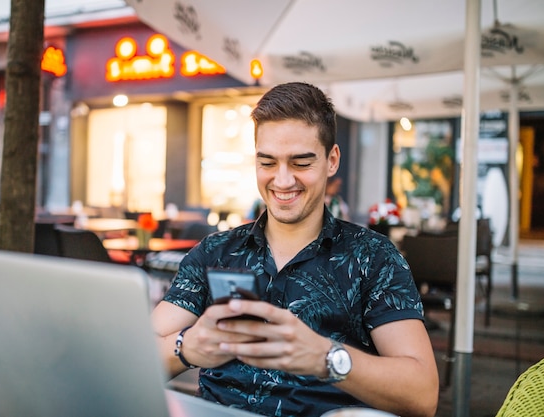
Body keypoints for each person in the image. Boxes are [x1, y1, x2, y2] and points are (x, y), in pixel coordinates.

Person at [151, 82, 439, 417]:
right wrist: (187, 347)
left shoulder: (372, 258)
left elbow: (422, 393)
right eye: (268, 162)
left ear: (332, 161)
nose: (283, 180)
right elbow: (135, 354)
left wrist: (325, 357)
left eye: (301, 162)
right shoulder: (215, 251)